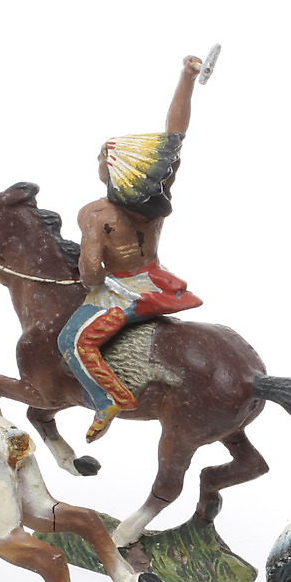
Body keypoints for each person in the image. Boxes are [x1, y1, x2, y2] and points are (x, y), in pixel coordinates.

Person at [58, 55, 206, 442]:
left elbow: (92, 274)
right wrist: (187, 79)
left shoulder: (96, 214)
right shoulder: (155, 196)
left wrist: (86, 266)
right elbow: (174, 136)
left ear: (110, 167)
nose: (97, 164)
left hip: (122, 293)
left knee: (72, 341)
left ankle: (108, 398)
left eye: (100, 159)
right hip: (157, 281)